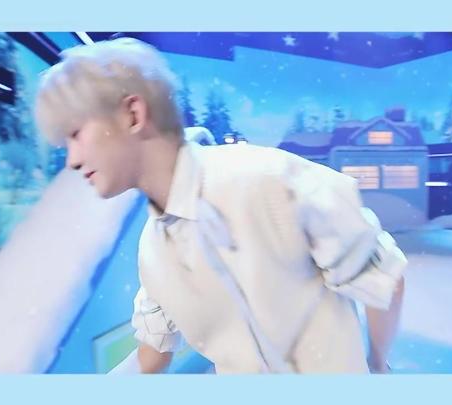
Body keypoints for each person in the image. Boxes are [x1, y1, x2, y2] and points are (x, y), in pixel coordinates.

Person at [34, 38, 406, 374]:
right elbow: (152, 354)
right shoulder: (152, 250)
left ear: (133, 115)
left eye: (76, 134)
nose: (72, 160)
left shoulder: (270, 179)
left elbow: (385, 278)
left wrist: (376, 367)